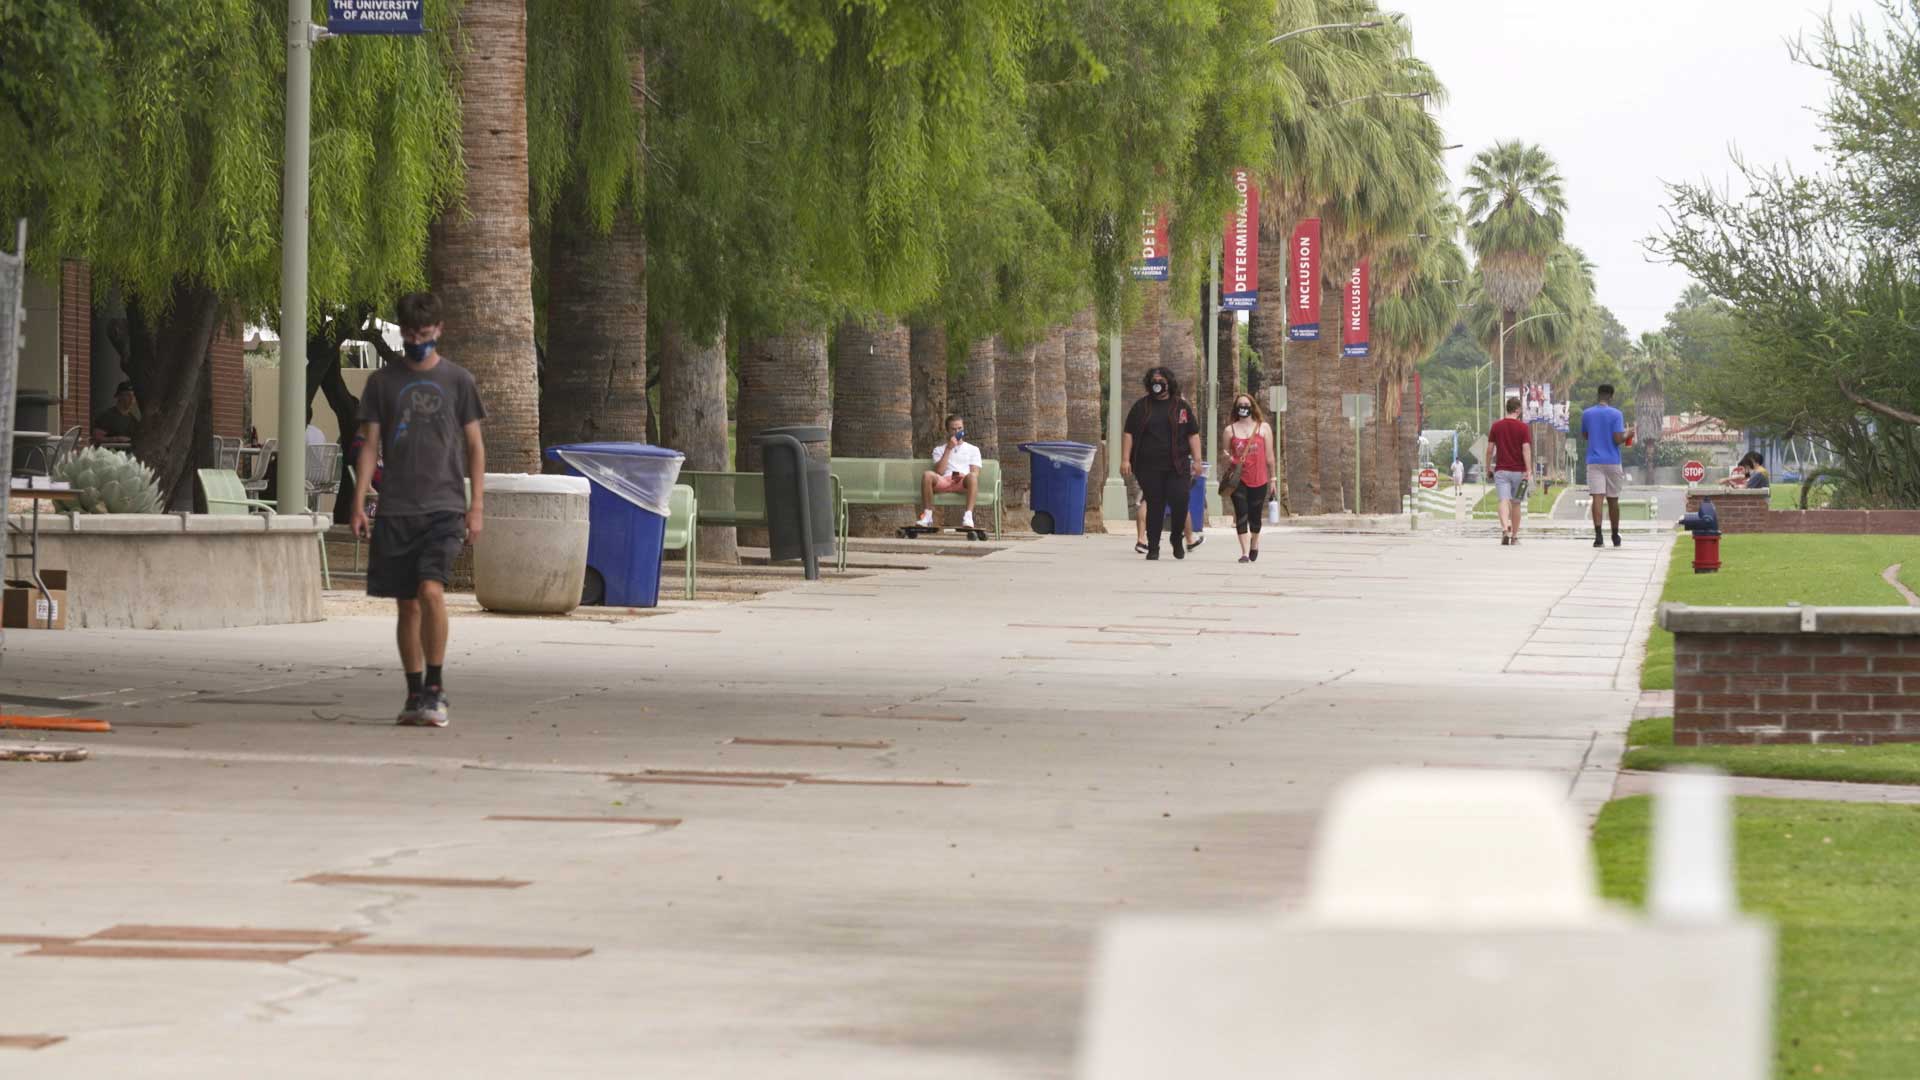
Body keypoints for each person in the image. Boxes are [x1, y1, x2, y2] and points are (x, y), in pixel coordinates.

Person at [350, 292, 486, 728]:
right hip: (395, 510)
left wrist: (475, 506)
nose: (416, 342)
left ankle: (435, 687)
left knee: (431, 591)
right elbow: (369, 445)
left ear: (439, 331)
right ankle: (413, 693)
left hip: (444, 508)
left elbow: (475, 446)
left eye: (424, 334)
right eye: (409, 334)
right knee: (406, 605)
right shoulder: (382, 383)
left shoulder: (458, 381)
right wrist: (359, 502)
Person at [1122, 366, 1202, 560]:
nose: (1157, 383)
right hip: (1148, 466)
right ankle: (1154, 546)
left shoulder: (1181, 407)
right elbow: (1129, 433)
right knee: (1155, 505)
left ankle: (1176, 538)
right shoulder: (1142, 407)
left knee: (1180, 500)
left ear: (1168, 383)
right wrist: (1125, 459)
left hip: (1178, 465)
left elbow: (1193, 434)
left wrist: (1197, 460)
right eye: (1153, 380)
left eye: (1161, 380)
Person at [1223, 392, 1277, 563]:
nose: (1243, 408)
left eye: (1246, 405)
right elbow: (1226, 452)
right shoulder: (1229, 430)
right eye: (1240, 405)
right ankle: (1245, 552)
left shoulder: (1263, 428)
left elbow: (1270, 456)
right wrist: (1229, 459)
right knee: (1241, 513)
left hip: (1259, 478)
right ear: (1235, 408)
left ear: (1252, 407)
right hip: (1238, 479)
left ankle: (1255, 542)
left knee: (1255, 516)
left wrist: (1273, 479)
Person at [1580, 383, 1634, 548]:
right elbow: (1618, 439)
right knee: (1613, 500)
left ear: (1598, 395)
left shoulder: (1586, 414)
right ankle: (1615, 535)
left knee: (1597, 498)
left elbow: (1585, 435)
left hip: (1594, 461)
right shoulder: (1616, 414)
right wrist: (1629, 434)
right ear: (1611, 396)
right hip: (1612, 461)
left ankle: (1598, 536)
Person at [917, 414, 981, 530]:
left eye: (960, 428)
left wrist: (959, 476)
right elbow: (939, 471)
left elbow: (975, 473)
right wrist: (949, 448)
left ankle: (968, 517)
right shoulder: (939, 450)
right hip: (945, 480)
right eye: (954, 429)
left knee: (972, 477)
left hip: (962, 481)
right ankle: (927, 516)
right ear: (948, 431)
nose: (957, 431)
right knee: (927, 475)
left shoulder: (973, 449)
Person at [1488, 395, 1534, 546]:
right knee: (1516, 504)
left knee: (1503, 500)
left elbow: (1490, 449)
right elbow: (1526, 449)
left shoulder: (1496, 426)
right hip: (1519, 472)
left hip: (1501, 471)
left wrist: (1488, 466)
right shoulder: (1523, 428)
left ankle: (1504, 529)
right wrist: (1529, 470)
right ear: (1518, 410)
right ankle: (1514, 536)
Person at [92, 380, 140, 444]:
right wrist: (117, 439)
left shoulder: (133, 420)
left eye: (133, 395)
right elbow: (96, 438)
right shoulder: (107, 416)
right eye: (128, 395)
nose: (132, 398)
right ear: (119, 396)